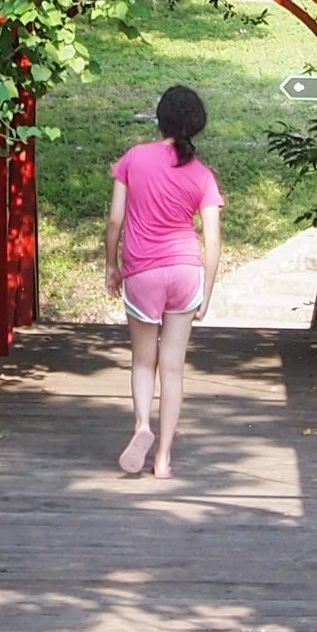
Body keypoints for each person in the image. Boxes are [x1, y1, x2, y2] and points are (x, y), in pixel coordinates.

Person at [106, 84, 222, 481]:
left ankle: (142, 425)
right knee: (173, 368)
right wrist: (207, 289)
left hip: (143, 271)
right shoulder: (203, 176)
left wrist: (111, 265)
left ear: (160, 119)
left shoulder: (134, 159)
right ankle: (164, 459)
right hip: (186, 271)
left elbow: (115, 220)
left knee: (143, 360)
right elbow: (212, 236)